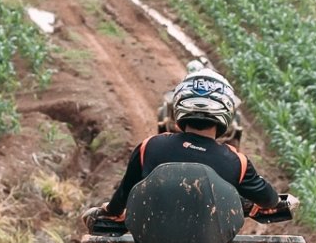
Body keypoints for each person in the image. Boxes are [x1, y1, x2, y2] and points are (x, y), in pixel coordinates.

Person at [104, 71, 283, 225]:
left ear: (179, 104)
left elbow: (122, 197)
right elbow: (269, 200)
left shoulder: (149, 147)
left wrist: (113, 212)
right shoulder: (237, 162)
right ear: (227, 110)